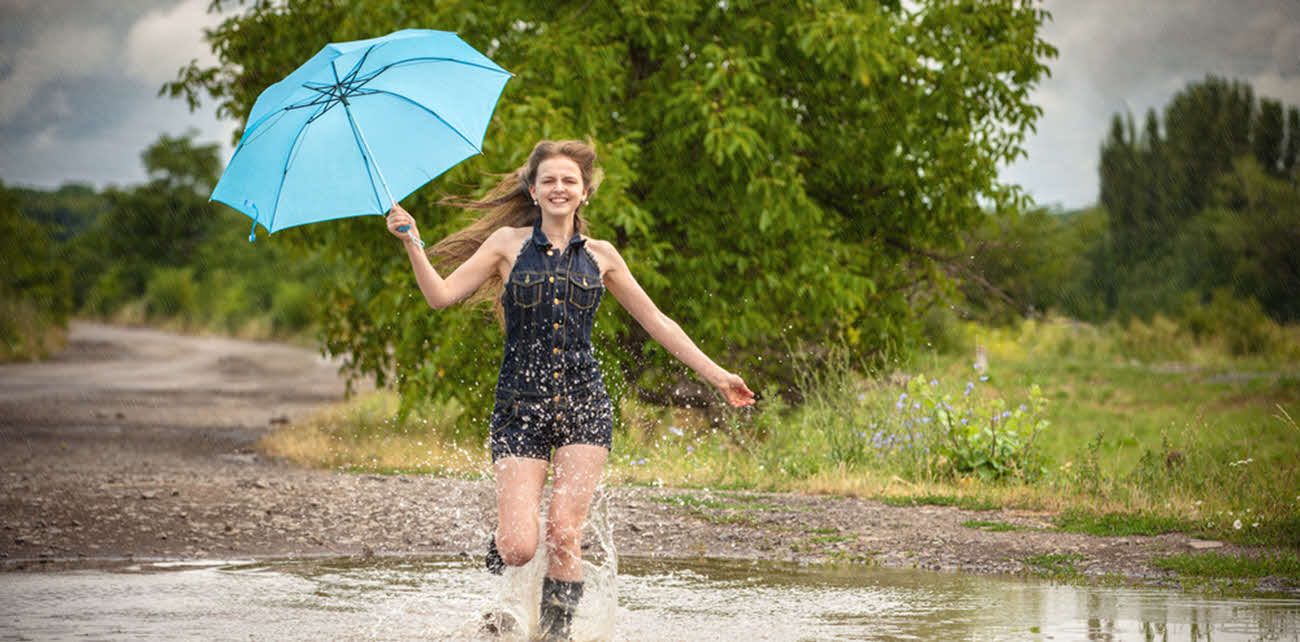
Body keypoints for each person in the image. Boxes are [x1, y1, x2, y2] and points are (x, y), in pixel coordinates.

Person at [385, 139, 755, 640]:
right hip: (520, 405)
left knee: (563, 534)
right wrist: (413, 242)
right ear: (533, 191)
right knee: (519, 545)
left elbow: (657, 321)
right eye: (549, 180)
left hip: (585, 405)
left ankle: (554, 635)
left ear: (584, 193)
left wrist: (717, 375)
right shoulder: (505, 245)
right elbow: (440, 296)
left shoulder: (603, 257)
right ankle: (505, 550)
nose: (559, 188)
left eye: (569, 181)